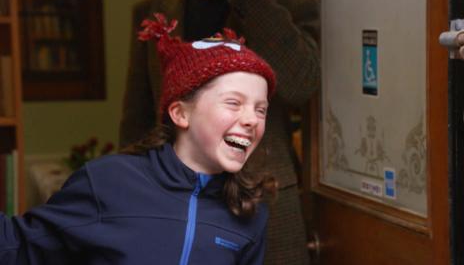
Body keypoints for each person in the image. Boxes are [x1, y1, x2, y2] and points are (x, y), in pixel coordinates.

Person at [0, 14, 277, 264]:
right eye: (233, 103)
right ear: (181, 114)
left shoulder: (250, 210)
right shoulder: (108, 182)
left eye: (260, 109)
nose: (252, 119)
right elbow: (15, 247)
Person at [120, 0, 321, 264]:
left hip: (265, 204)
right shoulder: (153, 9)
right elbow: (139, 119)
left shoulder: (289, 1)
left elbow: (302, 84)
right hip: (173, 203)